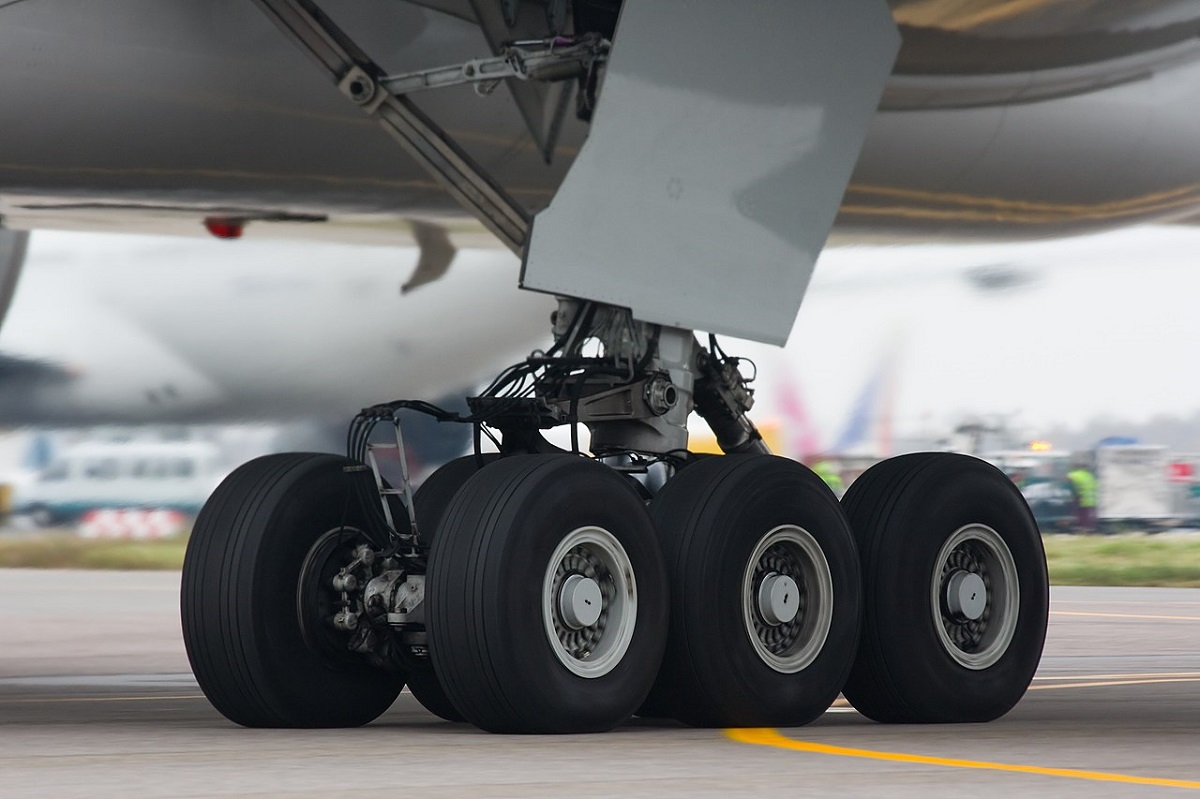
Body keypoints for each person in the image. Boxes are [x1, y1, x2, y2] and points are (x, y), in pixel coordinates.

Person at [1065, 459, 1098, 533]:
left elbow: (1065, 479)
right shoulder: (1089, 475)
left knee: (1081, 514)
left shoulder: (1075, 474)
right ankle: (1090, 527)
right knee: (1088, 514)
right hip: (1091, 498)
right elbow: (1095, 485)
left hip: (1081, 498)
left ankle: (1083, 528)